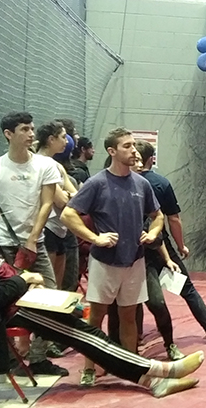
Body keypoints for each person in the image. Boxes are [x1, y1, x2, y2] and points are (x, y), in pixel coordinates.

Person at [0, 181, 204, 398]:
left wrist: (25, 277)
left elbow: (3, 277)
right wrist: (23, 281)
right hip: (13, 311)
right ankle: (159, 371)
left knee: (87, 330)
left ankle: (152, 379)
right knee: (85, 336)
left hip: (25, 300)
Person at [61, 128, 166, 387]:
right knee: (96, 316)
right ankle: (88, 367)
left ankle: (132, 367)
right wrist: (95, 238)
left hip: (134, 260)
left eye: (134, 146)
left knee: (129, 316)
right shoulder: (97, 183)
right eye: (127, 146)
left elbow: (159, 216)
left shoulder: (141, 183)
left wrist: (152, 233)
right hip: (104, 262)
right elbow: (68, 215)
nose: (134, 151)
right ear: (112, 151)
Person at [0, 112, 68, 376]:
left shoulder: (45, 165)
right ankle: (8, 359)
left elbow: (47, 203)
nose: (31, 134)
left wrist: (33, 237)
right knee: (8, 299)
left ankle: (39, 357)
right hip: (5, 245)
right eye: (24, 129)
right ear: (9, 134)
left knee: (52, 297)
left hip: (36, 243)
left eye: (32, 129)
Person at [134, 140, 206, 346]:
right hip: (159, 247)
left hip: (135, 247)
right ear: (152, 158)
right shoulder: (159, 183)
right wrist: (180, 245)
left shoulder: (126, 183)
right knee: (185, 288)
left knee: (135, 294)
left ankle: (136, 335)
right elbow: (173, 219)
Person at [34, 121, 77, 290]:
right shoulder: (39, 163)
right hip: (47, 227)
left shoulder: (57, 165)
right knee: (48, 283)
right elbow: (62, 201)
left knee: (58, 283)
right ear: (51, 139)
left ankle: (56, 316)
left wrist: (67, 195)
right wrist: (67, 195)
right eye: (63, 137)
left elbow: (76, 198)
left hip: (61, 228)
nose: (67, 141)